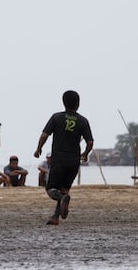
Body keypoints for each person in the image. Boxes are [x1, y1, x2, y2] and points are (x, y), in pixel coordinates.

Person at [34, 90, 94, 226]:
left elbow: (44, 135)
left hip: (59, 159)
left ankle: (61, 199)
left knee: (50, 189)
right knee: (65, 188)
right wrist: (85, 154)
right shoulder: (83, 121)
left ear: (63, 102)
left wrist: (38, 148)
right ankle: (55, 217)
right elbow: (90, 142)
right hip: (74, 161)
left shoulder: (56, 117)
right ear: (78, 104)